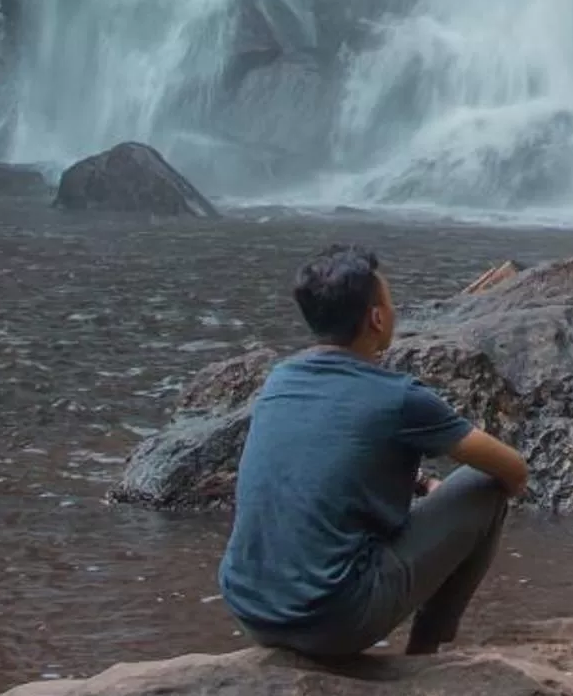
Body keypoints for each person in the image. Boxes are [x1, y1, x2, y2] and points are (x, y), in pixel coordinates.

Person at [218, 245, 528, 660]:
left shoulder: (279, 380)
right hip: (334, 621)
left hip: (252, 611)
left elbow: (320, 461)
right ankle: (424, 651)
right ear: (377, 318)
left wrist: (419, 483)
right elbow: (513, 470)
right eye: (390, 300)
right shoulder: (398, 397)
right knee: (483, 485)